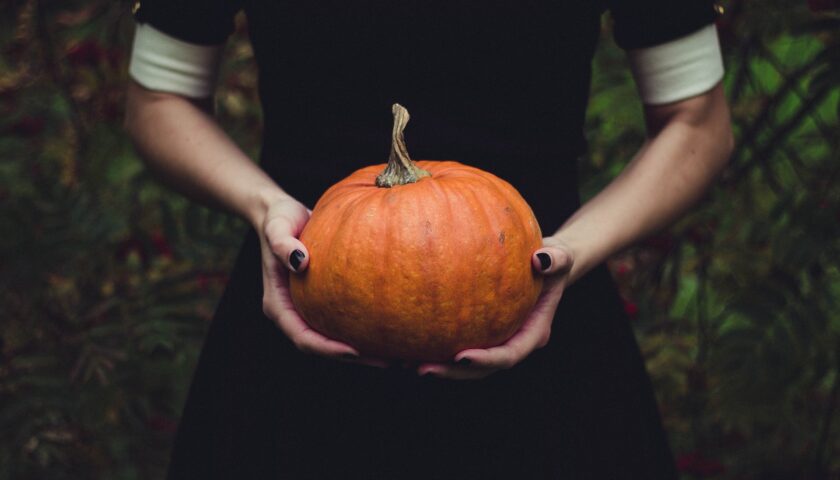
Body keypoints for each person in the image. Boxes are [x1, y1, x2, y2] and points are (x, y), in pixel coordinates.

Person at [124, 0, 733, 478]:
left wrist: (570, 252)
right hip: (304, 291)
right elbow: (158, 99)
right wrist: (266, 209)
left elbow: (697, 122)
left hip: (540, 304)